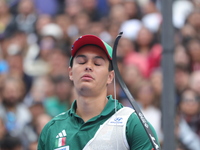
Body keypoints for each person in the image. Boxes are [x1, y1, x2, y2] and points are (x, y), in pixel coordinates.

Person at [37, 34, 160, 150]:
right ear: (70, 72)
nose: (88, 67)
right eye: (81, 62)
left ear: (110, 77)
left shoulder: (132, 124)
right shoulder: (51, 129)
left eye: (97, 63)